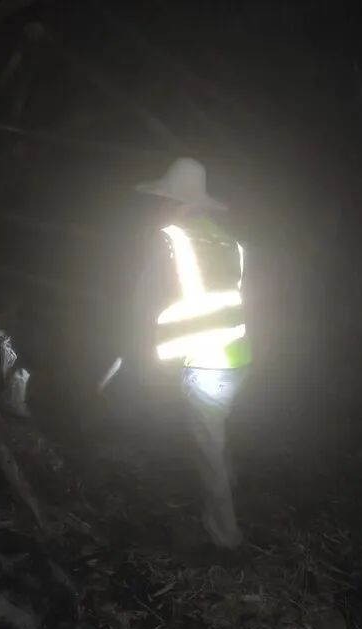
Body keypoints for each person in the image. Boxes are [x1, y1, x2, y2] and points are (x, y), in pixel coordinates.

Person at [123, 157, 252, 548]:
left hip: (204, 361)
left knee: (207, 450)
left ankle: (225, 538)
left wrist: (139, 348)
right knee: (217, 437)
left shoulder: (169, 239)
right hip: (237, 357)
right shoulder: (231, 243)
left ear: (172, 201)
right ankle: (232, 488)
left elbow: (145, 300)